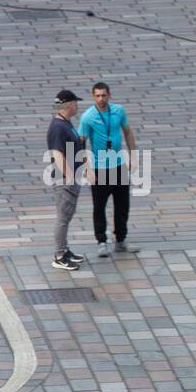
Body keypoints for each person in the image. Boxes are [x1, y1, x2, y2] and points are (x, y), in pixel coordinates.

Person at [78, 81, 139, 257]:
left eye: (104, 95)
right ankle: (101, 241)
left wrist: (133, 156)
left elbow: (127, 132)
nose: (101, 98)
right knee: (99, 207)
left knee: (122, 205)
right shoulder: (88, 117)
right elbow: (81, 143)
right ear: (93, 96)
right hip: (99, 167)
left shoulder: (118, 111)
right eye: (97, 95)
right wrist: (87, 169)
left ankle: (120, 240)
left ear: (109, 95)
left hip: (118, 165)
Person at [45, 90, 89, 272]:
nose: (77, 106)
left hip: (72, 177)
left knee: (67, 216)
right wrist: (70, 177)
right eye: (75, 103)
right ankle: (59, 255)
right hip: (64, 180)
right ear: (69, 104)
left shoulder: (65, 123)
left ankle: (65, 249)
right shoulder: (57, 127)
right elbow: (57, 154)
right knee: (63, 218)